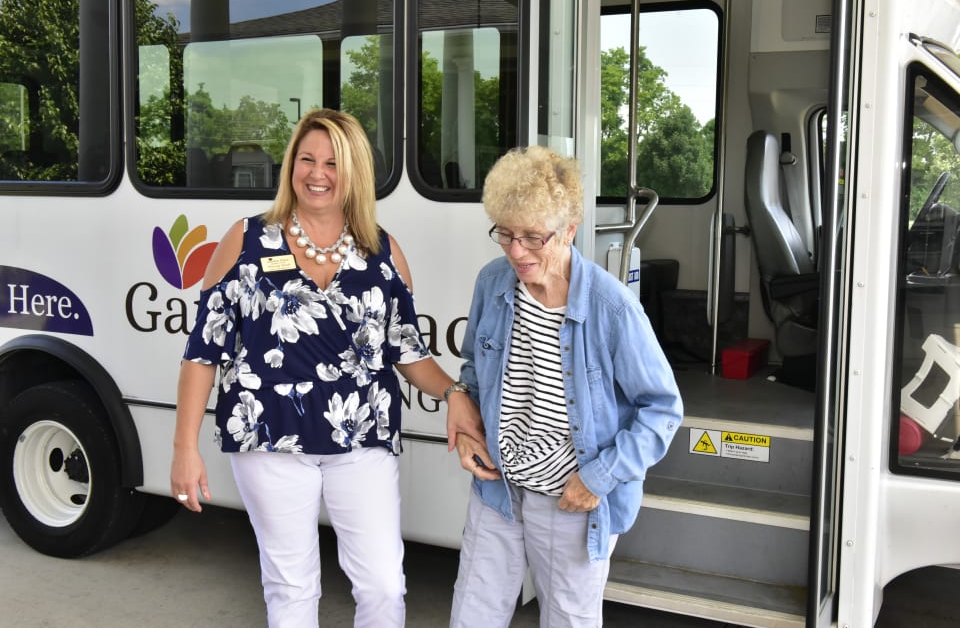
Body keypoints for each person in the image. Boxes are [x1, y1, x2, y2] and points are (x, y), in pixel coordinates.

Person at [170, 108, 482, 628]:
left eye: (333, 162)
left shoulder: (383, 252)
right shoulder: (245, 241)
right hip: (269, 439)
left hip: (361, 440)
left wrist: (454, 394)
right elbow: (203, 352)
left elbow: (408, 352)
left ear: (354, 172)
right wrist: (185, 449)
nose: (317, 173)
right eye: (306, 159)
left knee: (384, 584)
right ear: (290, 164)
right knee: (292, 588)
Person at [447, 145, 684, 627]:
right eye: (506, 234)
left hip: (570, 500)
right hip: (499, 489)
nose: (517, 252)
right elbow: (474, 366)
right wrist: (465, 416)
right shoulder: (493, 283)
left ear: (570, 230)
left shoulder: (611, 308)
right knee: (471, 616)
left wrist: (600, 478)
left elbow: (662, 410)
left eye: (533, 238)